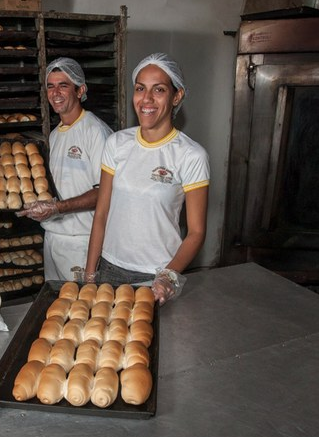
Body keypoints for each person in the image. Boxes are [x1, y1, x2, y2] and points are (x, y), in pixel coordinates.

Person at [84, 53, 210, 305]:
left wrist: (167, 277)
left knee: (152, 343)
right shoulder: (117, 143)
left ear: (177, 96)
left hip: (157, 274)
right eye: (140, 88)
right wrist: (89, 276)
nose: (147, 99)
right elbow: (102, 212)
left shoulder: (190, 155)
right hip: (109, 269)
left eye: (159, 89)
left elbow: (196, 232)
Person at [16, 57, 113, 281]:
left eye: (63, 85)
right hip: (53, 236)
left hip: (83, 240)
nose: (55, 92)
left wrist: (58, 208)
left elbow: (105, 192)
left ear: (80, 90)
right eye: (50, 86)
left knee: (81, 310)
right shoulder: (55, 134)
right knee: (58, 305)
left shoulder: (95, 131)